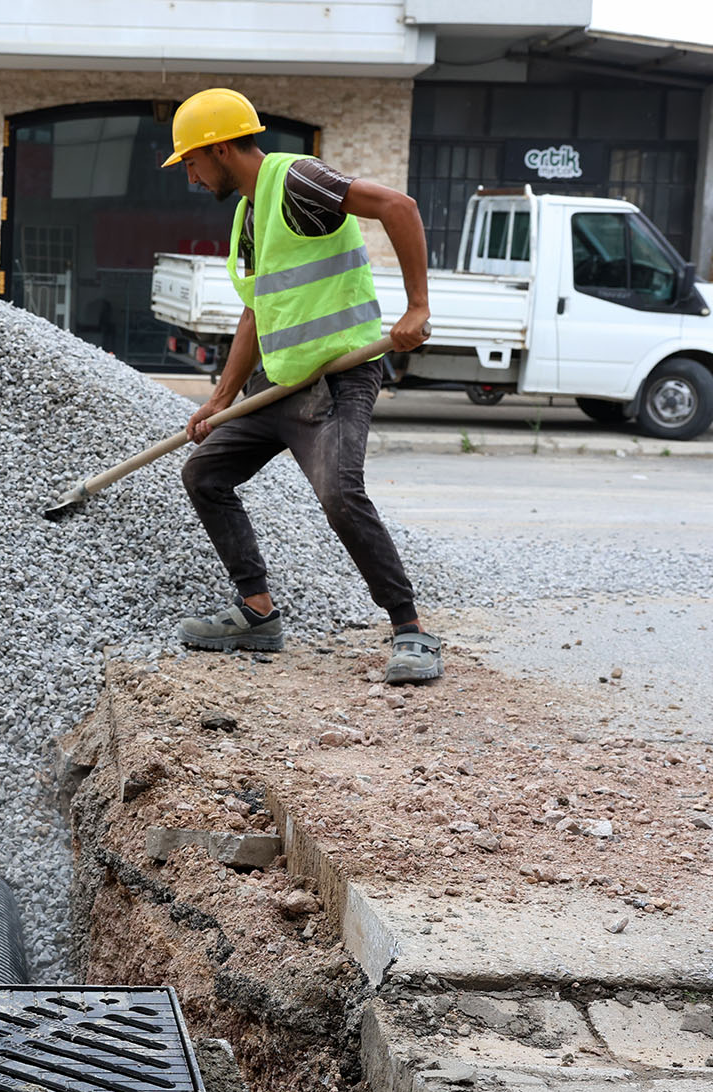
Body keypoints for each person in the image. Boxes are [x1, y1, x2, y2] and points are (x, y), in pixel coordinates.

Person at [165, 87, 441, 684]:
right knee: (204, 473)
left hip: (340, 375)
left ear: (217, 149)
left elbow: (399, 205)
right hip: (281, 383)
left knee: (339, 492)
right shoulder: (248, 213)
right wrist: (219, 400)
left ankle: (411, 631)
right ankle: (256, 614)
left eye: (190, 160)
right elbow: (256, 314)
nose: (189, 175)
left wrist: (416, 306)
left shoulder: (296, 180)